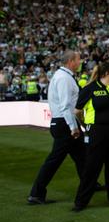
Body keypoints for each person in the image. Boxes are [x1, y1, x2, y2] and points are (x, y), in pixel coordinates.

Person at [28, 50, 86, 204]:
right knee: (54, 160)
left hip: (63, 122)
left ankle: (90, 183)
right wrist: (73, 127)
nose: (80, 62)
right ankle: (36, 193)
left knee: (82, 157)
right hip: (65, 123)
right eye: (78, 59)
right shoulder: (64, 79)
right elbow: (65, 106)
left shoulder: (63, 77)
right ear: (71, 61)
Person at [72, 60, 109, 211]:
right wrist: (87, 126)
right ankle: (81, 201)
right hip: (98, 131)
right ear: (107, 73)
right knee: (92, 166)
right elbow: (77, 111)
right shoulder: (90, 89)